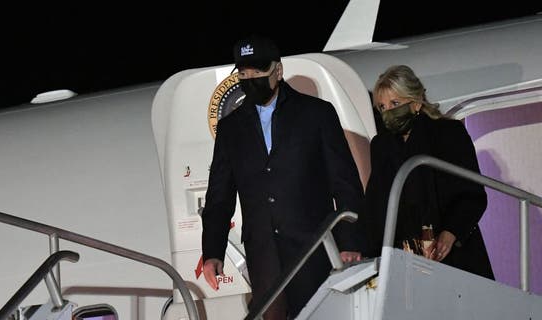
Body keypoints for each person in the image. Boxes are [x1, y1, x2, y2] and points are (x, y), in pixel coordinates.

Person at [200, 34, 366, 320]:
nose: (250, 78)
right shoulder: (231, 129)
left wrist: (350, 240)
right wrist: (213, 250)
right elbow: (219, 195)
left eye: (258, 71)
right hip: (264, 257)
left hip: (314, 249)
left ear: (278, 71)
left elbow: (345, 180)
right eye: (243, 72)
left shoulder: (317, 114)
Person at [364, 64, 494, 280]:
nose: (388, 112)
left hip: (451, 253)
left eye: (395, 103)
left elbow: (471, 192)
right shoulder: (381, 145)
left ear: (415, 103)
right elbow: (376, 203)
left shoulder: (448, 133)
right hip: (404, 259)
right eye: (382, 107)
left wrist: (451, 232)